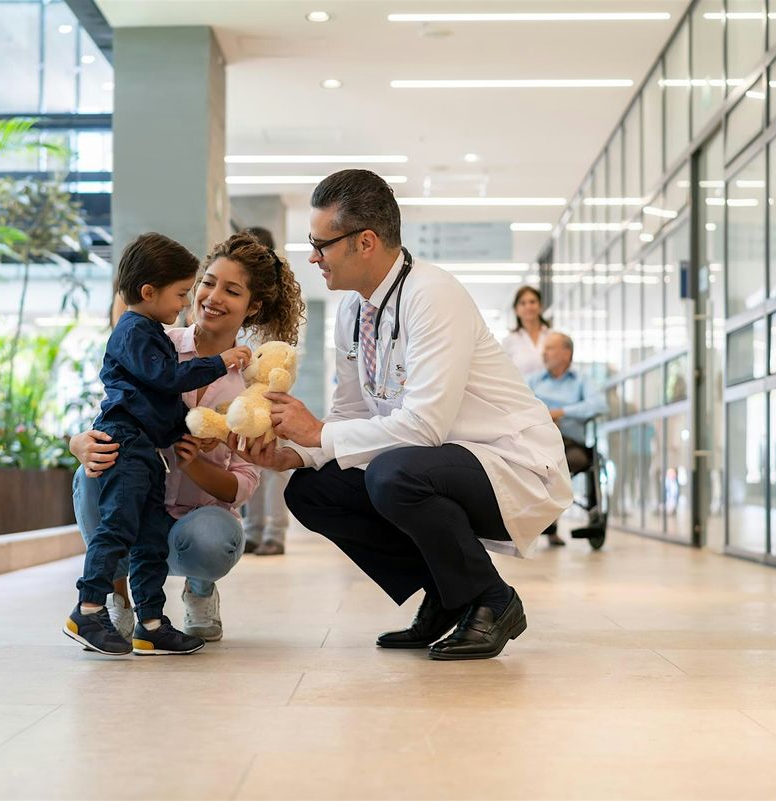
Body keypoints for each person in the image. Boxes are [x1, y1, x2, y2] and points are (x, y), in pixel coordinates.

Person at [233, 169, 574, 661]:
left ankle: (491, 599)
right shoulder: (354, 312)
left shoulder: (432, 295)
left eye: (321, 244)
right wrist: (299, 455)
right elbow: (349, 412)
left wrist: (321, 434)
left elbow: (425, 425)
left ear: (365, 241)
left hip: (513, 463)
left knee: (395, 474)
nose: (313, 257)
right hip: (437, 461)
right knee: (313, 491)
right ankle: (447, 591)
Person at [70, 231, 305, 643]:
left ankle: (198, 591)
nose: (212, 296)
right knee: (94, 479)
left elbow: (243, 484)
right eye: (207, 283)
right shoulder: (152, 343)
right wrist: (78, 443)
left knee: (212, 540)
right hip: (140, 492)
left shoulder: (252, 386)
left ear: (253, 307)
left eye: (231, 290)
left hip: (195, 517)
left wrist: (195, 462)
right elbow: (114, 410)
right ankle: (115, 601)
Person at [526, 332, 608, 545]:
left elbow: (599, 405)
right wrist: (544, 417)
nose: (544, 353)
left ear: (566, 353)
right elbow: (518, 406)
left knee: (573, 461)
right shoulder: (533, 381)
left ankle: (553, 520)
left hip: (569, 445)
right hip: (537, 441)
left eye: (550, 348)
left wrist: (562, 412)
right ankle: (543, 521)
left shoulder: (582, 381)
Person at [240, 225, 291, 556]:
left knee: (274, 468)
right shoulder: (238, 298)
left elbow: (288, 355)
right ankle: (253, 531)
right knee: (249, 462)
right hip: (243, 399)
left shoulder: (282, 305)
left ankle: (275, 533)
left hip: (274, 397)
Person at [500, 286, 553, 378]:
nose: (528, 306)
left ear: (540, 306)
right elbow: (504, 373)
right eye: (523, 303)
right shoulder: (509, 341)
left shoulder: (552, 337)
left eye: (532, 302)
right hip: (520, 391)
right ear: (516, 310)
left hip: (551, 391)